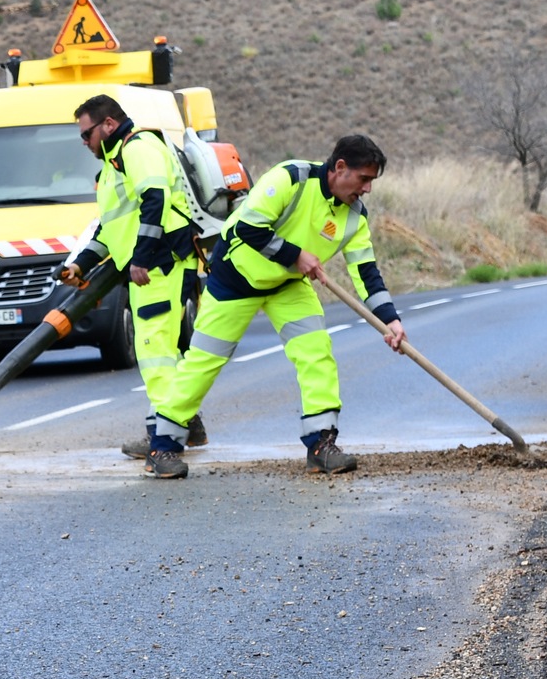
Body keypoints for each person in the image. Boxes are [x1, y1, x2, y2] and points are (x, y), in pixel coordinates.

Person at [145, 134, 405, 478]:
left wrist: (390, 320)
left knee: (316, 352)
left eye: (371, 181)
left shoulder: (354, 217)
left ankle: (321, 444)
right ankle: (162, 447)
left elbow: (366, 272)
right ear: (340, 167)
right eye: (364, 178)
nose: (367, 189)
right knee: (203, 362)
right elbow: (249, 228)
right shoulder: (290, 178)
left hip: (287, 284)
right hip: (235, 278)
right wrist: (296, 255)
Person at [55, 94, 208, 470]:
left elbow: (155, 201)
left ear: (108, 124)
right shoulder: (114, 165)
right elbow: (112, 228)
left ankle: (165, 444)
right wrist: (81, 265)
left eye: (86, 134)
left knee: (155, 352)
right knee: (163, 352)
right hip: (153, 267)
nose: (84, 142)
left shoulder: (138, 147)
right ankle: (182, 425)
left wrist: (141, 257)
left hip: (159, 265)